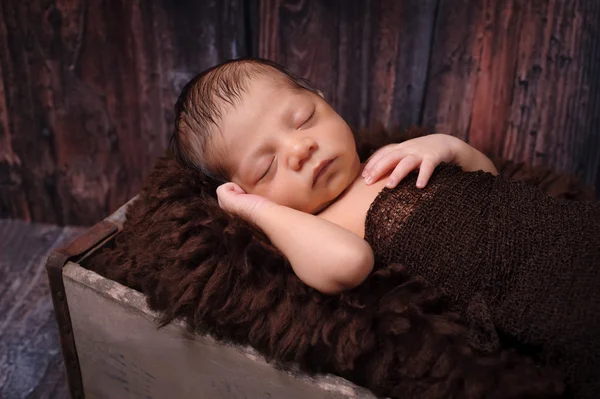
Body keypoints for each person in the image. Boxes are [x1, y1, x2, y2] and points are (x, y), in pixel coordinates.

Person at [170, 57, 600, 397]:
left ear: (324, 99)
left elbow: (489, 180)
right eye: (266, 167)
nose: (300, 148)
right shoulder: (314, 226)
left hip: (563, 229)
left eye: (303, 119)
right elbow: (349, 263)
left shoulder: (395, 156)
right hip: (540, 296)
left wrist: (446, 146)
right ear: (244, 191)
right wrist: (257, 211)